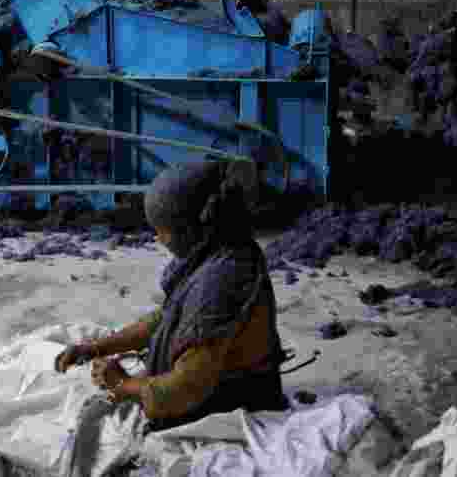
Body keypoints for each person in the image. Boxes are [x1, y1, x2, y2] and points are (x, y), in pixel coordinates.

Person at [48, 160, 289, 475]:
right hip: (200, 388)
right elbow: (164, 318)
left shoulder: (223, 279)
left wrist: (123, 385)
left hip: (229, 403)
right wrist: (95, 348)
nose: (158, 240)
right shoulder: (213, 250)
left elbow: (184, 390)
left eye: (163, 231)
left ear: (194, 227)